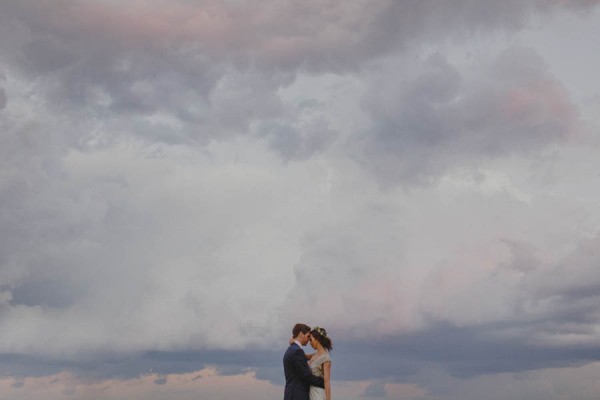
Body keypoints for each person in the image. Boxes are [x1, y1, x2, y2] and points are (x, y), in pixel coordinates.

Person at [283, 323, 325, 400]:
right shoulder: (297, 351)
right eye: (308, 336)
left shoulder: (292, 350)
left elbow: (305, 358)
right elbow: (306, 376)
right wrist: (323, 383)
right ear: (301, 334)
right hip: (297, 396)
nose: (309, 339)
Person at [306, 326, 333, 400]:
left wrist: (328, 399)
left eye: (311, 340)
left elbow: (327, 382)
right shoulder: (314, 355)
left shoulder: (325, 359)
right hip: (310, 393)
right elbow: (301, 355)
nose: (309, 343)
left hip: (318, 395)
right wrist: (294, 341)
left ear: (317, 339)